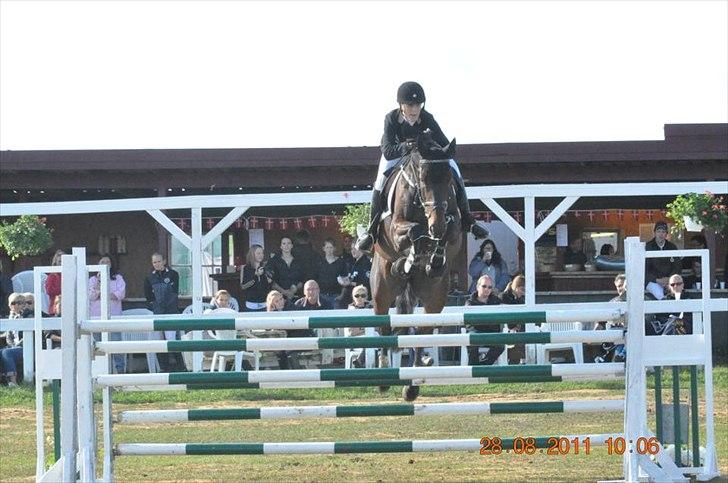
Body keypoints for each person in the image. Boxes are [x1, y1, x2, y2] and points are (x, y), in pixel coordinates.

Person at [355, 81, 488, 253]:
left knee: (454, 169)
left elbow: (444, 143)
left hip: (422, 159)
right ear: (401, 105)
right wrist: (409, 146)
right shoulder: (391, 118)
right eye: (410, 105)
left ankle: (469, 221)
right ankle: (372, 231)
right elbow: (388, 151)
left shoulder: (427, 118)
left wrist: (436, 148)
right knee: (380, 182)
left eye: (417, 105)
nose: (414, 110)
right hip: (396, 157)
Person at [143, 252, 182, 371]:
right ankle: (163, 367)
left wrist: (166, 306)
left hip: (170, 310)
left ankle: (181, 367)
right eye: (154, 262)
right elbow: (149, 296)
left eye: (159, 261)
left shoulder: (173, 274)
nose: (157, 264)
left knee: (171, 338)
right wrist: (156, 306)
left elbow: (174, 293)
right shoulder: (149, 277)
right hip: (157, 312)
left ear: (164, 261)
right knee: (159, 340)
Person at [465, 275, 505, 366]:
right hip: (475, 332)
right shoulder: (470, 302)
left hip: (491, 333)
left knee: (501, 344)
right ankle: (473, 367)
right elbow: (469, 324)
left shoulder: (496, 301)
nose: (487, 289)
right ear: (477, 287)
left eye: (490, 287)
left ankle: (484, 366)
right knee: (472, 340)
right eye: (484, 286)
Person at [645, 221, 680, 300]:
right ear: (654, 233)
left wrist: (669, 279)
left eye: (663, 232)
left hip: (670, 280)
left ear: (666, 234)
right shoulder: (648, 247)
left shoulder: (672, 247)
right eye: (658, 231)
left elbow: (677, 266)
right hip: (653, 281)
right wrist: (657, 280)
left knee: (677, 294)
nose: (661, 234)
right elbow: (644, 269)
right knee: (661, 295)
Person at [337, 241, 372, 309]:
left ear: (361, 249)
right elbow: (352, 277)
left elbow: (366, 282)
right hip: (349, 298)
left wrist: (351, 283)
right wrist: (345, 280)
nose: (353, 251)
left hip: (360, 298)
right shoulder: (353, 262)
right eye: (351, 249)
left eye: (355, 249)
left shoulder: (366, 264)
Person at [500, 275, 526, 363]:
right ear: (516, 287)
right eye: (522, 290)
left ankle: (516, 361)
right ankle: (514, 363)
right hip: (506, 329)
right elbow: (503, 315)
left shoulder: (520, 300)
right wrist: (512, 325)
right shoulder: (504, 297)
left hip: (517, 329)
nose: (523, 293)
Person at [317, 238, 348, 309]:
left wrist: (342, 295)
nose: (329, 250)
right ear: (323, 248)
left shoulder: (341, 263)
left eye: (331, 247)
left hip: (336, 296)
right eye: (327, 247)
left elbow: (345, 279)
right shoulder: (319, 263)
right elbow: (315, 279)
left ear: (334, 248)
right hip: (322, 296)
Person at [269, 236, 303, 301]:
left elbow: (303, 279)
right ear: (280, 246)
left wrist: (294, 289)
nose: (286, 246)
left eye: (288, 243)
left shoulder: (299, 260)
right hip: (279, 298)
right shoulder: (274, 261)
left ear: (292, 245)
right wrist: (285, 292)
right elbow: (271, 281)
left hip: (297, 297)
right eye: (284, 243)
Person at [240, 245, 272, 312]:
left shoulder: (265, 268)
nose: (261, 255)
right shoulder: (246, 268)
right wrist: (255, 275)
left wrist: (269, 280)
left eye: (262, 253)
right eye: (258, 253)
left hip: (265, 304)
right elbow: (243, 286)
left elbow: (269, 285)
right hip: (251, 305)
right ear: (252, 254)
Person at [45, 249, 65, 315]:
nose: (61, 264)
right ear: (55, 263)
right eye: (59, 262)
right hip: (55, 309)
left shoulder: (70, 275)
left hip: (69, 308)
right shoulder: (52, 276)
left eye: (64, 262)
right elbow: (49, 291)